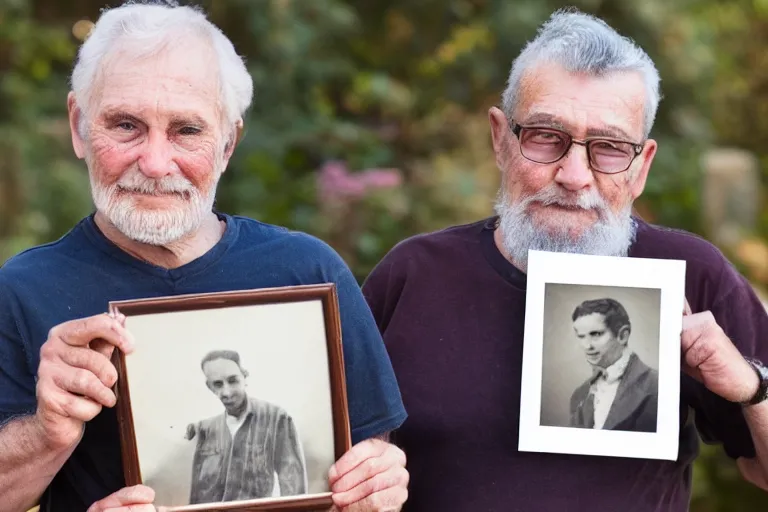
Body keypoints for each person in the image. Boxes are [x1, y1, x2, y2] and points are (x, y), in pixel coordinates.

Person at [0, 2, 409, 512]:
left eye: (186, 131)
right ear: (80, 127)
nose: (154, 162)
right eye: (126, 125)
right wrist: (47, 431)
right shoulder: (19, 288)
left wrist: (377, 486)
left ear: (228, 143)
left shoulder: (308, 272)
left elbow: (369, 464)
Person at [361, 8, 768, 512]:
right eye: (546, 137)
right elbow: (333, 460)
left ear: (642, 167)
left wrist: (752, 387)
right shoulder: (413, 275)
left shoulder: (691, 274)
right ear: (500, 139)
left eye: (610, 147)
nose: (574, 175)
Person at [185, 350, 308, 504]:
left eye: (233, 381)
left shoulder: (276, 418)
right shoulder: (207, 429)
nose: (226, 392)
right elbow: (197, 495)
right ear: (210, 387)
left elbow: (294, 486)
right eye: (218, 384)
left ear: (245, 377)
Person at [568, 298, 658, 432]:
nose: (587, 346)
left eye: (596, 334)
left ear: (623, 335)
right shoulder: (580, 395)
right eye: (581, 336)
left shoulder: (655, 385)